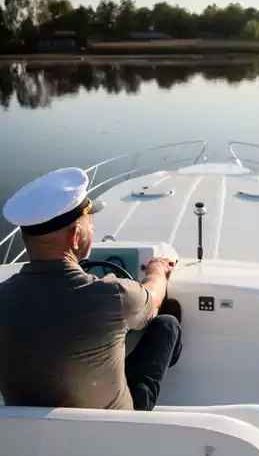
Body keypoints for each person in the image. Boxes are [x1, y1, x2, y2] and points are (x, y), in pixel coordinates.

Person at [0, 167, 182, 411]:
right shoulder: (115, 295)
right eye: (90, 223)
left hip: (29, 437)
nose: (93, 229)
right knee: (166, 323)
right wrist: (157, 270)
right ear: (75, 236)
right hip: (112, 429)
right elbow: (154, 299)